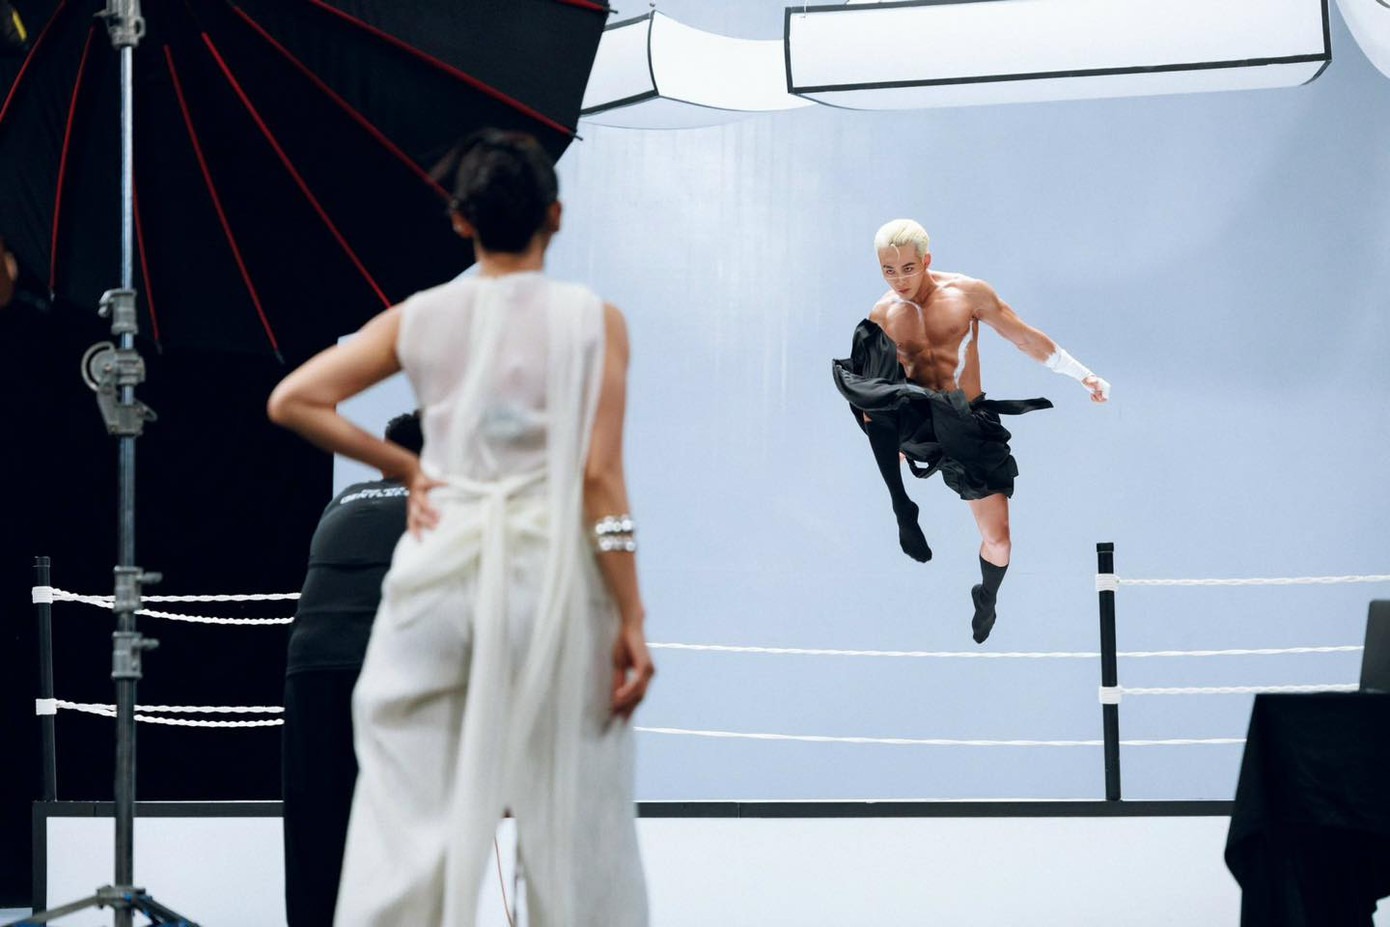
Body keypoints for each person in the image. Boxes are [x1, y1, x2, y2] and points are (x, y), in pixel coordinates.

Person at [267, 129, 652, 927]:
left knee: (404, 822)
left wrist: (407, 468)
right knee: (575, 823)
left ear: (461, 222)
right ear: (555, 214)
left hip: (438, 576)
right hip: (549, 582)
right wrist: (632, 616)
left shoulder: (422, 316)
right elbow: (599, 478)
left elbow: (294, 400)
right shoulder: (595, 320)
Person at [832, 219, 1110, 643]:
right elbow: (872, 390)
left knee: (999, 542)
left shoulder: (968, 293)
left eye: (908, 268)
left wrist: (1082, 375)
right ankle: (902, 507)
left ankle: (987, 596)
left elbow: (1023, 338)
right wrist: (891, 441)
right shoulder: (882, 315)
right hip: (918, 417)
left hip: (967, 419)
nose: (899, 279)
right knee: (870, 392)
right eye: (888, 270)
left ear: (926, 260)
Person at [282, 411, 422, 927]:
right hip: (381, 665)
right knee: (401, 823)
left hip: (308, 664)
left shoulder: (343, 500)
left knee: (314, 826)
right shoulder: (439, 501)